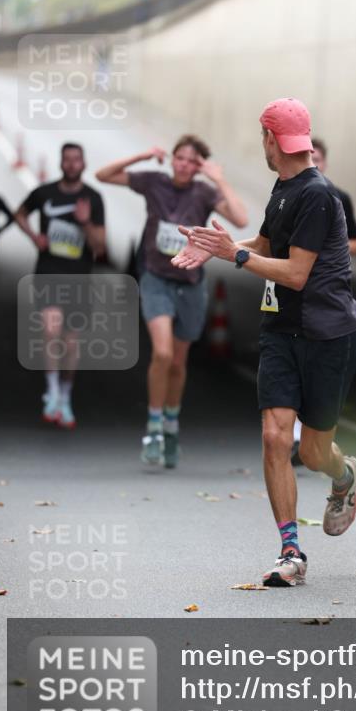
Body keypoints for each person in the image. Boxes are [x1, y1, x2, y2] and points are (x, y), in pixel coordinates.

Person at [173, 98, 356, 587]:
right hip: (281, 332)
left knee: (315, 453)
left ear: (271, 139)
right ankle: (291, 552)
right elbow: (263, 246)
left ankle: (344, 476)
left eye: (262, 136)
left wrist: (235, 255)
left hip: (329, 337)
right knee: (276, 437)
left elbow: (297, 273)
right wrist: (217, 248)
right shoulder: (283, 187)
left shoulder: (318, 195)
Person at [96, 137, 248, 468]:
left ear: (199, 166)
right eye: (179, 158)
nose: (183, 165)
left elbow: (240, 219)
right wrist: (141, 155)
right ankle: (153, 428)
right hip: (156, 280)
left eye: (191, 161)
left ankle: (171, 426)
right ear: (171, 159)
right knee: (162, 353)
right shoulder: (154, 182)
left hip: (190, 285)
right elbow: (102, 175)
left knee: (178, 363)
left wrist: (218, 179)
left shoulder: (204, 192)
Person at [14, 143, 106, 428]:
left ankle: (65, 396)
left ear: (84, 163)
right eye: (67, 159)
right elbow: (20, 213)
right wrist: (34, 237)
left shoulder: (93, 198)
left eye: (76, 159)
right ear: (61, 163)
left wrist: (85, 222)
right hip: (49, 272)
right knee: (50, 330)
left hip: (79, 277)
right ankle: (52, 391)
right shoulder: (44, 193)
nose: (71, 164)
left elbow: (100, 246)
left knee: (70, 342)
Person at [289, 135, 356, 464]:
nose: (313, 164)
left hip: (328, 300)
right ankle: (296, 439)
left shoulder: (336, 197)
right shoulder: (288, 195)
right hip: (294, 301)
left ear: (324, 162)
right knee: (293, 370)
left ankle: (316, 446)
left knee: (318, 380)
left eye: (318, 158)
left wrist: (326, 243)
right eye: (309, 157)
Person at [311, 137, 356, 257]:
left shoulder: (340, 198)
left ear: (325, 163)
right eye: (308, 160)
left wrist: (328, 245)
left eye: (316, 160)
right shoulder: (292, 196)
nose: (312, 165)